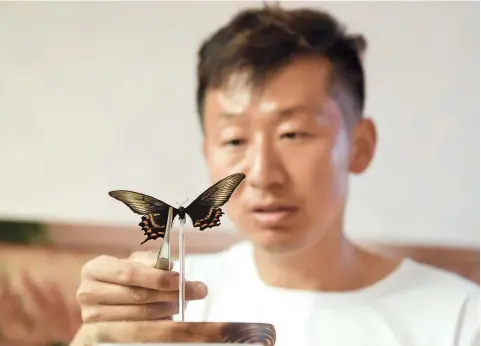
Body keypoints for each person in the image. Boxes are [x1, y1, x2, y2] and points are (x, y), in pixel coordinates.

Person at [72, 4, 479, 346]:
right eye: (234, 141)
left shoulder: (459, 318)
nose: (263, 175)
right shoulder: (168, 299)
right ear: (207, 155)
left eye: (293, 133)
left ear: (360, 146)